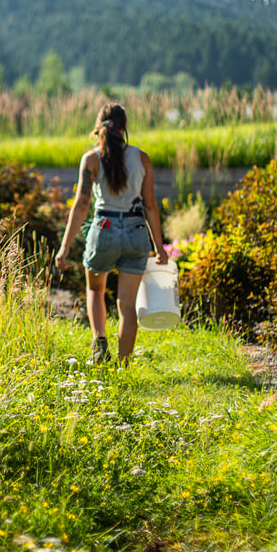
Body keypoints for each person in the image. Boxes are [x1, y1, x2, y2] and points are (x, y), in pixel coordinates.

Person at [55, 103, 168, 365]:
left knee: (95, 290)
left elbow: (82, 205)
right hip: (136, 231)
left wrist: (64, 248)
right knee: (127, 307)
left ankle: (100, 344)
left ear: (98, 127)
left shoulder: (91, 159)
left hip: (103, 231)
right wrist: (159, 247)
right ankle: (124, 366)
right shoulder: (142, 159)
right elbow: (150, 206)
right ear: (124, 128)